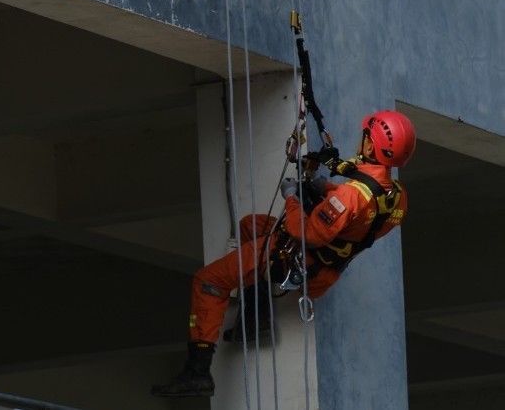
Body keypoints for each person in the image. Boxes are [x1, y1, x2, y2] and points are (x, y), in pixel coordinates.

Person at [151, 110, 416, 398]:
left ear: (371, 147)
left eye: (365, 137)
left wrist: (291, 197)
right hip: (325, 267)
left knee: (208, 280)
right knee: (250, 226)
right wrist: (326, 188)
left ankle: (198, 371)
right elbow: (357, 215)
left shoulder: (350, 197)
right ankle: (256, 312)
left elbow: (307, 232)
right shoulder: (398, 198)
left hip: (295, 258)